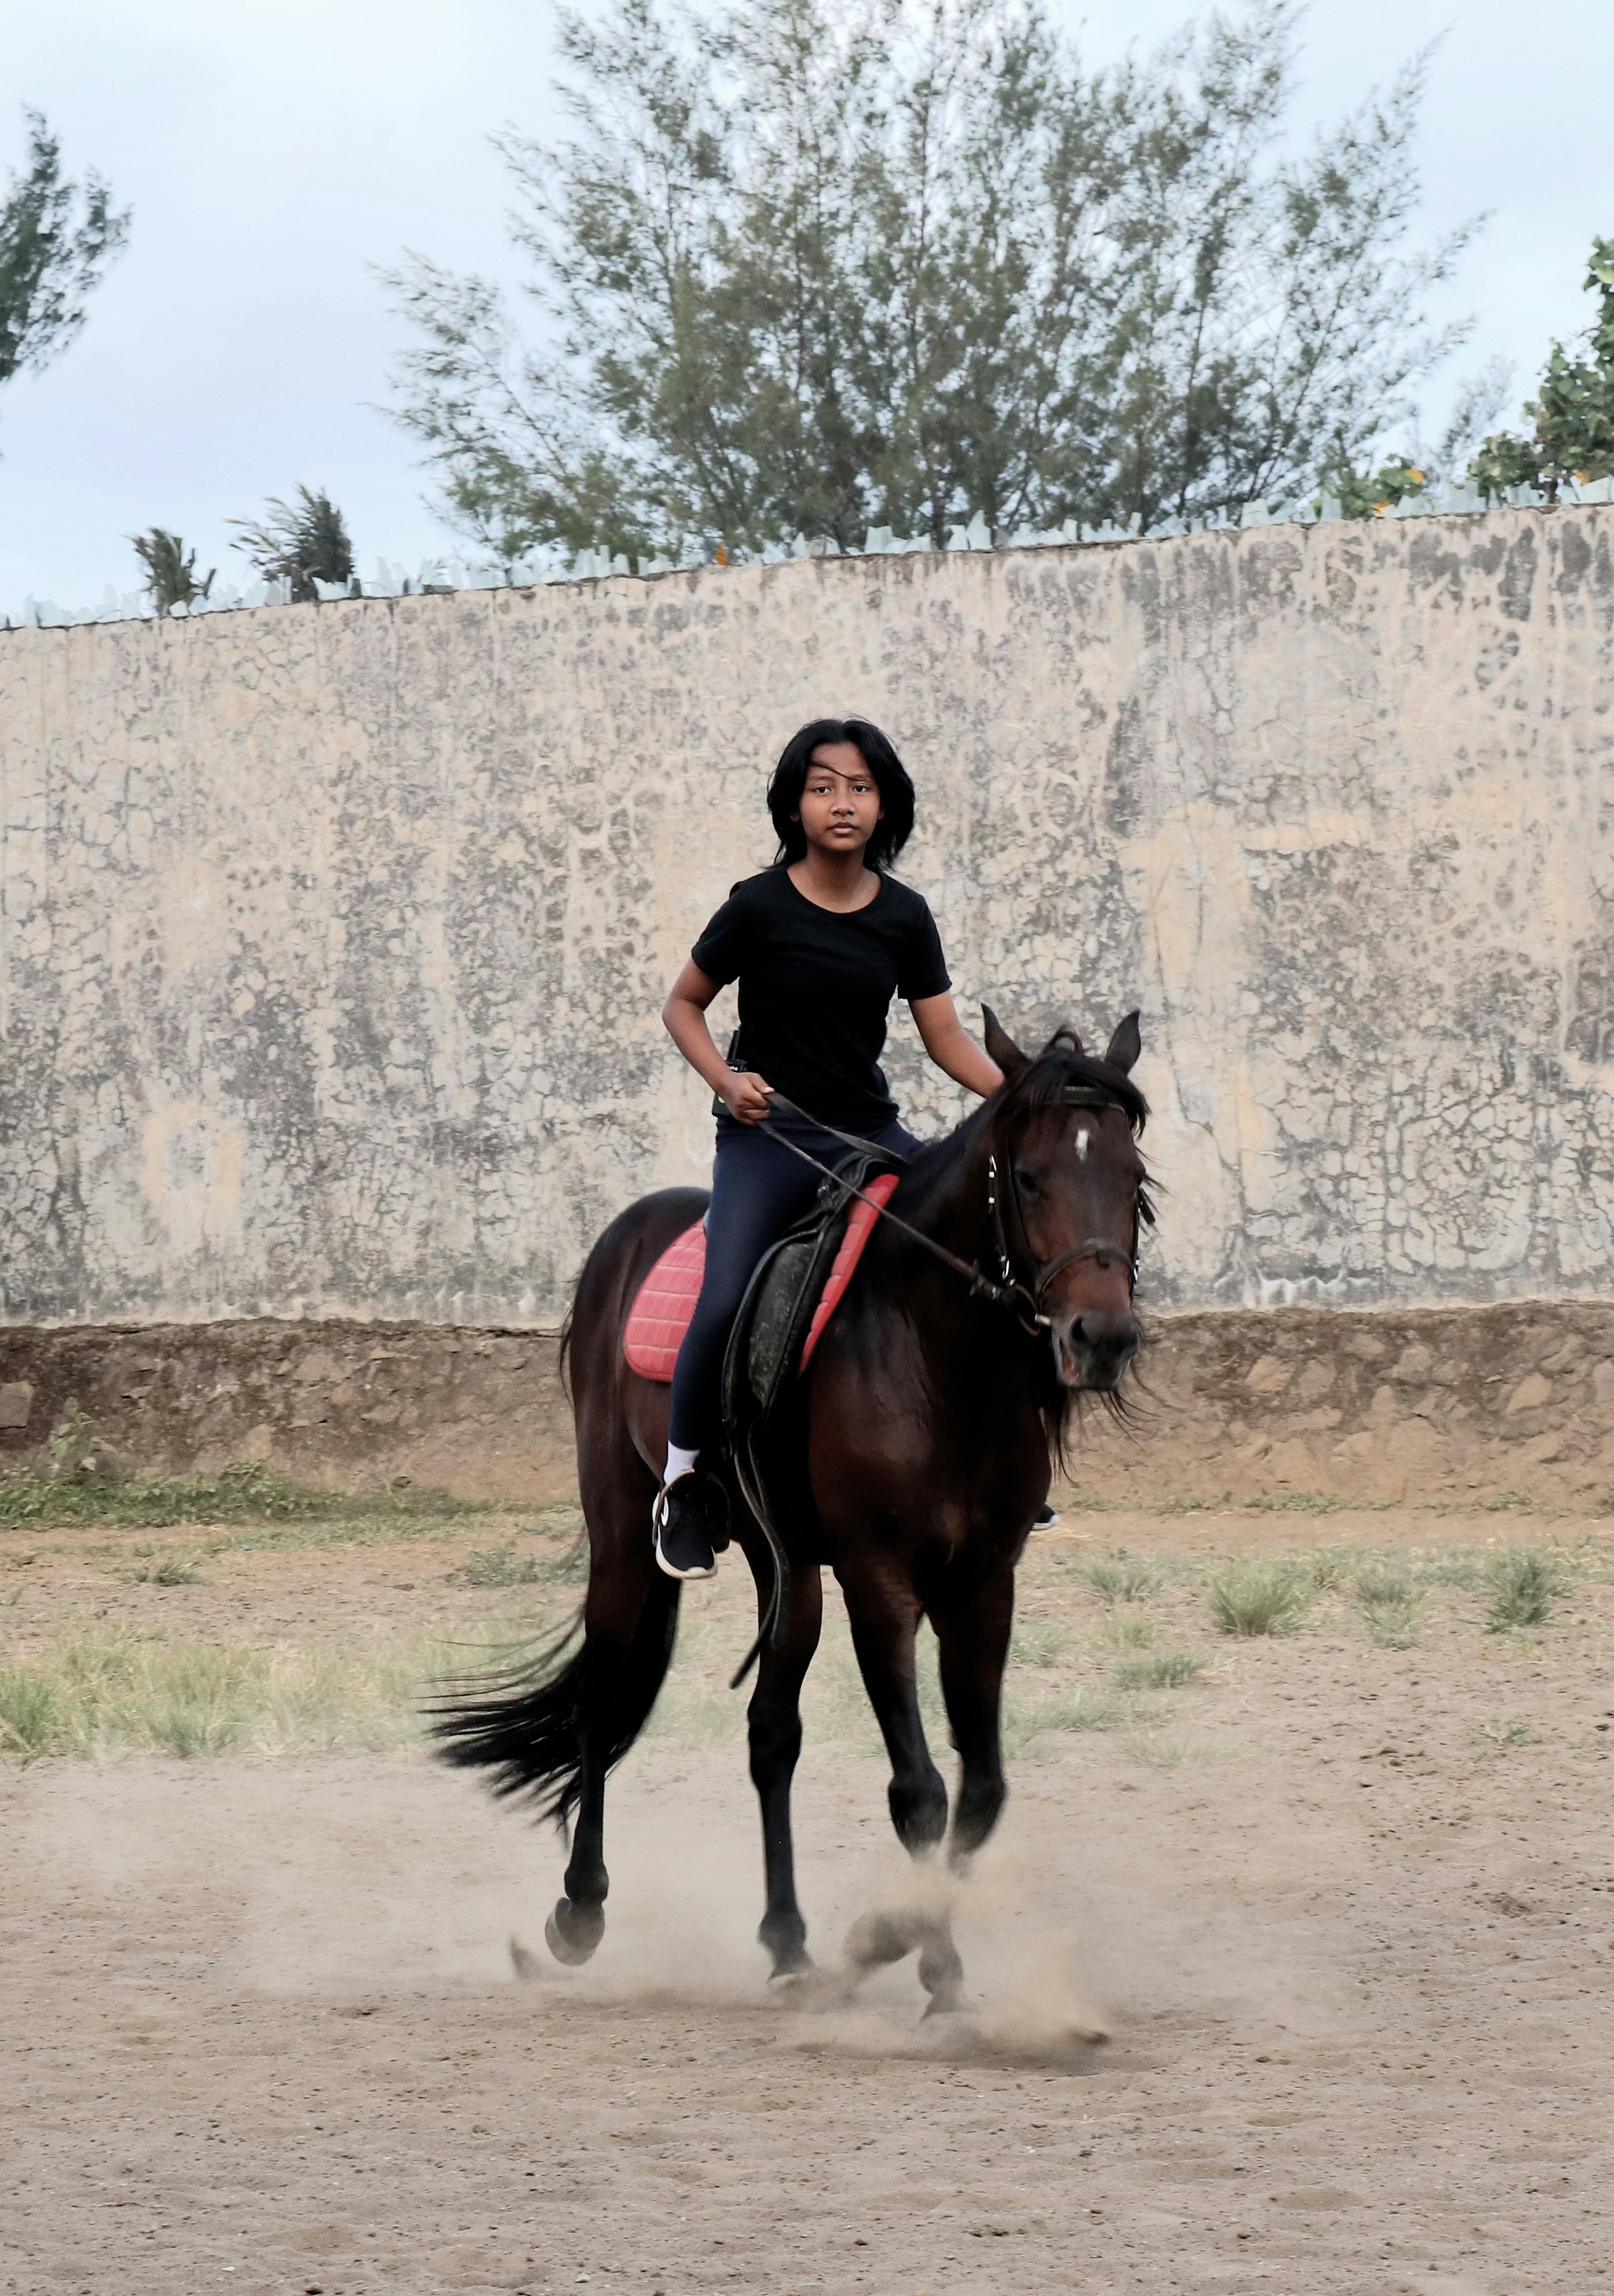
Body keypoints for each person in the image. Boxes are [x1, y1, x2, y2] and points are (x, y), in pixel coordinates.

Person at [654, 717, 1004, 1580]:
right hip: (769, 1137)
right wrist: (726, 1081)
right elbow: (682, 1005)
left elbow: (945, 1036)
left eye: (859, 788)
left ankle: (992, 1455)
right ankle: (685, 1483)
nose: (841, 803)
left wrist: (1019, 1097)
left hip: (869, 1132)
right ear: (794, 806)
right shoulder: (757, 906)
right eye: (822, 788)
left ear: (884, 806)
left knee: (974, 1257)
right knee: (724, 1299)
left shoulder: (904, 915)